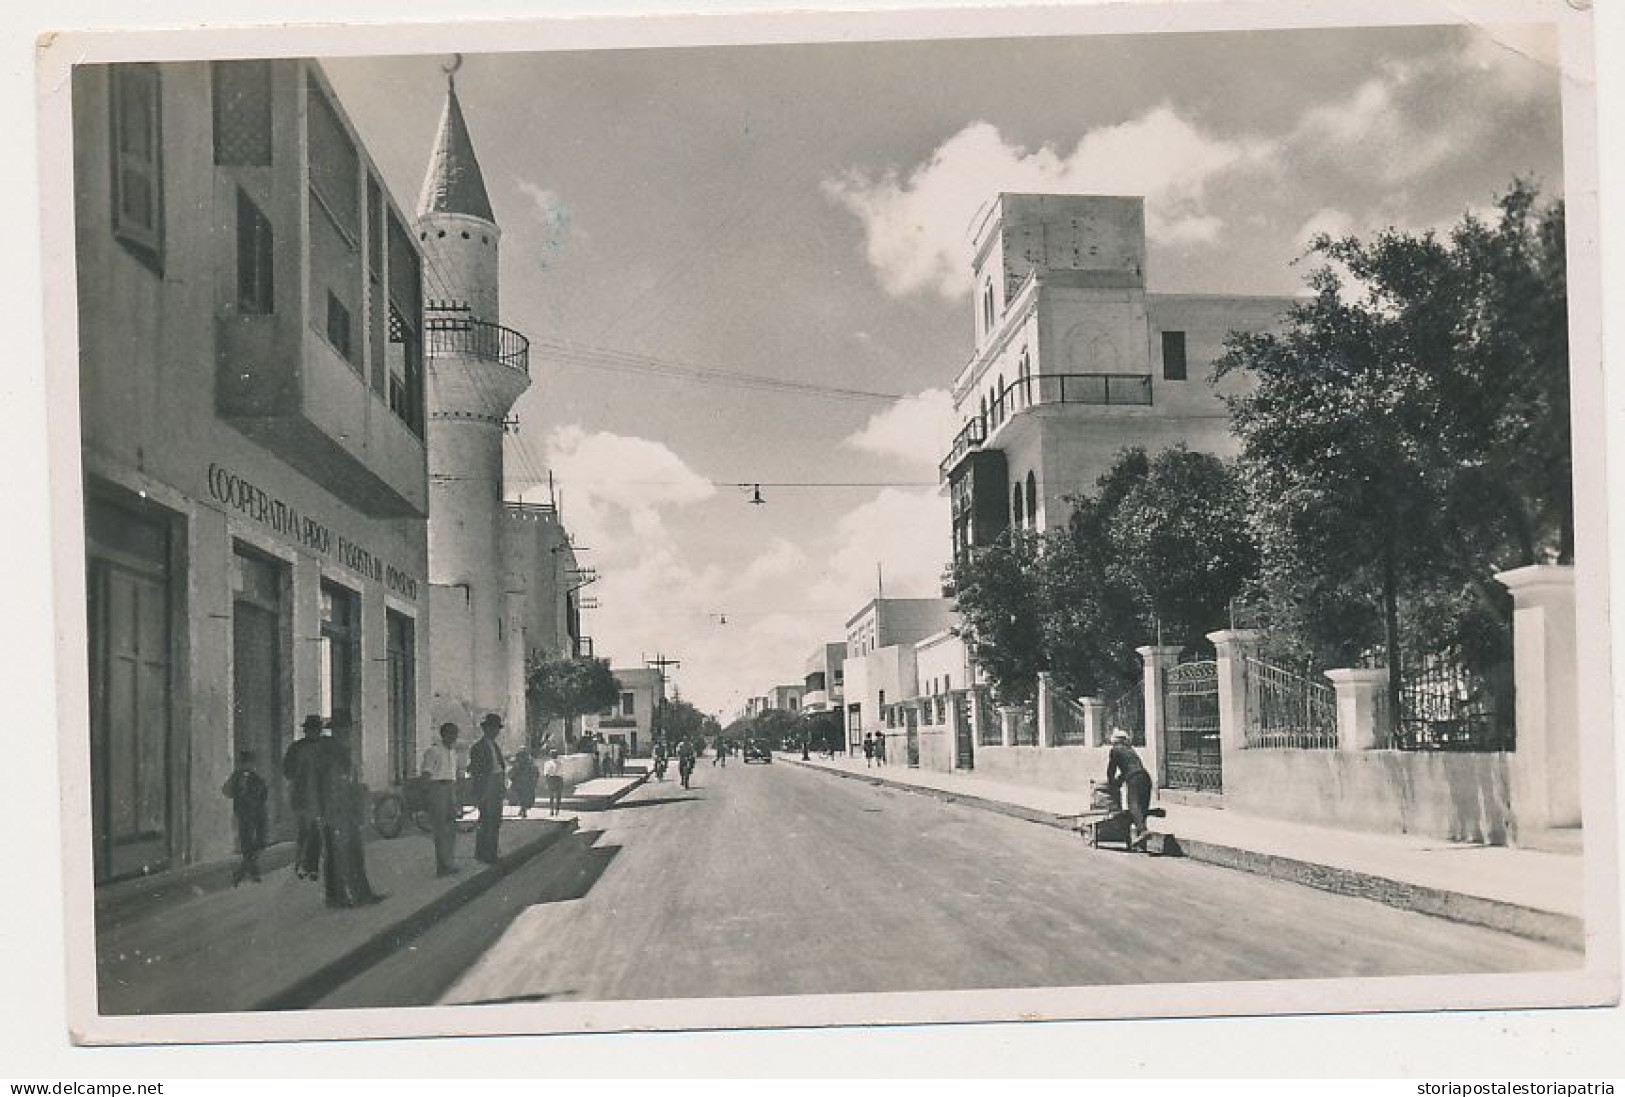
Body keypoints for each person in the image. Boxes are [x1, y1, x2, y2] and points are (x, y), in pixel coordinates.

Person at [319, 715, 383, 907]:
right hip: (337, 811)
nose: (346, 733)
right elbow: (332, 786)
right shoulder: (330, 754)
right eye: (342, 730)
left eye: (347, 730)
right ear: (335, 732)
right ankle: (343, 897)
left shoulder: (344, 752)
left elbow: (352, 783)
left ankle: (357, 894)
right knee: (341, 855)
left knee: (351, 853)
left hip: (347, 810)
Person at [282, 714, 328, 881]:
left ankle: (312, 867)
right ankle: (301, 864)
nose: (313, 733)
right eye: (310, 730)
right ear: (306, 731)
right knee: (303, 831)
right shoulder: (296, 748)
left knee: (315, 832)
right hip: (302, 796)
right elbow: (286, 770)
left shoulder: (325, 749)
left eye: (316, 730)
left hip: (319, 796)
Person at [221, 749, 268, 885]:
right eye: (245, 763)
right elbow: (226, 790)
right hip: (244, 814)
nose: (248, 766)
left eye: (250, 763)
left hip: (258, 813)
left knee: (260, 842)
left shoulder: (257, 777)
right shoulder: (236, 777)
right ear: (242, 764)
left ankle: (241, 872)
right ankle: (252, 872)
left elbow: (264, 794)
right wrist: (238, 794)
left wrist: (255, 799)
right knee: (247, 843)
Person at [420, 723, 461, 876]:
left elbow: (454, 775)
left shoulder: (453, 753)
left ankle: (449, 862)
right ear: (443, 735)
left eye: (455, 734)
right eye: (450, 734)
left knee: (451, 827)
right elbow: (426, 774)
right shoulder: (433, 751)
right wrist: (426, 796)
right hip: (437, 788)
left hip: (450, 788)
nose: (453, 737)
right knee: (440, 829)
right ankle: (442, 866)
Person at [467, 713, 507, 865]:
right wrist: (481, 791)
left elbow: (500, 767)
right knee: (486, 820)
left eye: (497, 728)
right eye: (493, 728)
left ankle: (491, 852)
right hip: (486, 785)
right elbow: (476, 771)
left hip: (496, 784)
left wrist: (502, 786)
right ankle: (483, 853)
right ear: (486, 729)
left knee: (495, 820)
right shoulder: (478, 747)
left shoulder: (495, 746)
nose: (496, 731)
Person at [1105, 728, 1154, 849]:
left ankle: (1142, 831)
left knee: (1134, 806)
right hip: (1145, 777)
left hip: (1134, 779)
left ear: (1115, 741)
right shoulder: (1130, 750)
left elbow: (1111, 768)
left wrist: (1111, 783)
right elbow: (1128, 769)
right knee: (1142, 808)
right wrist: (1120, 780)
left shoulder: (1115, 750)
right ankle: (1142, 842)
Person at [509, 748, 539, 818]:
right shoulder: (526, 763)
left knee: (523, 797)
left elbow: (512, 773)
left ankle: (523, 810)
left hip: (522, 783)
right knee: (524, 797)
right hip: (524, 783)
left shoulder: (522, 764)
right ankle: (523, 809)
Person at [542, 749, 565, 816]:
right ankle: (555, 810)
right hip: (557, 779)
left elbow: (546, 773)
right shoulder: (560, 763)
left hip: (552, 779)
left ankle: (553, 810)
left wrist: (547, 781)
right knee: (557, 796)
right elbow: (562, 772)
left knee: (552, 796)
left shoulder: (547, 763)